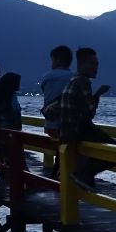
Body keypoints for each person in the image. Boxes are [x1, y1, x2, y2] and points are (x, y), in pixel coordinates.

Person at [58, 47, 113, 189]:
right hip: (78, 130)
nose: (95, 67)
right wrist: (98, 95)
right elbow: (90, 112)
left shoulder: (73, 80)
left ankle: (81, 174)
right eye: (92, 64)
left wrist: (97, 94)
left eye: (97, 64)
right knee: (113, 150)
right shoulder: (83, 82)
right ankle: (84, 175)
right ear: (81, 65)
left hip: (66, 132)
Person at [39, 45, 73, 176]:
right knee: (66, 150)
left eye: (52, 60)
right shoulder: (74, 77)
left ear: (57, 60)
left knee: (61, 147)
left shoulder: (46, 77)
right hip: (68, 124)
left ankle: (57, 173)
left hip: (51, 124)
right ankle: (61, 175)